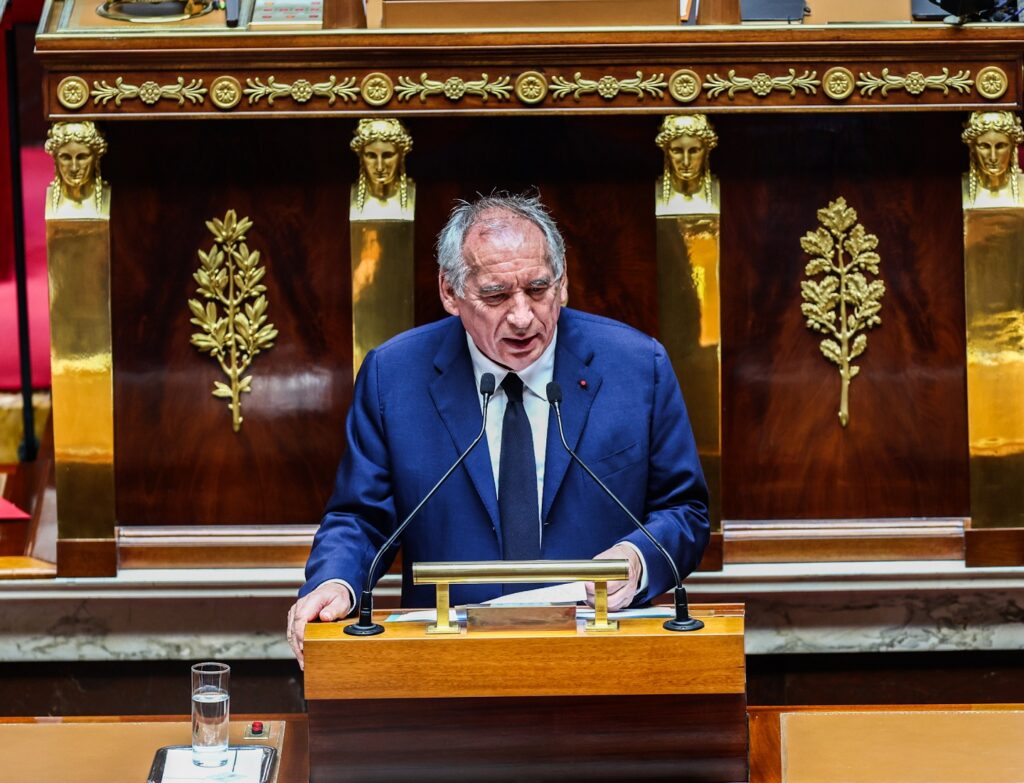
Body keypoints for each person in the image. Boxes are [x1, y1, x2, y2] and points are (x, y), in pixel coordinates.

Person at [287, 193, 709, 666]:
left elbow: (685, 510)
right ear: (450, 292)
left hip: (602, 656)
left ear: (563, 283)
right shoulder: (394, 376)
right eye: (496, 295)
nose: (523, 317)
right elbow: (361, 518)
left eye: (538, 288)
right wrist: (335, 581)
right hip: (446, 665)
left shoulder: (637, 367)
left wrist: (636, 559)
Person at [349, 117, 414, 215]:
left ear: (401, 155)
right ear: (361, 156)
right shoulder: (349, 195)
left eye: (387, 155)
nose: (380, 167)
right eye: (371, 156)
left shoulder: (413, 194)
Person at [44, 121, 109, 217]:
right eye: (66, 158)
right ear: (55, 159)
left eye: (82, 157)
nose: (74, 168)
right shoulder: (53, 203)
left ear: (96, 158)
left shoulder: (106, 196)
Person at [655, 114, 718, 208]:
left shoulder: (721, 189)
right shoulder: (655, 189)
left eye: (694, 151)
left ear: (707, 151)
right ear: (666, 152)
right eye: (677, 151)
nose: (686, 162)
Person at [961, 110, 1024, 206]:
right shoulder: (957, 188)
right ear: (972, 148)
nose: (993, 157)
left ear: (1012, 147)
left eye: (1001, 146)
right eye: (984, 146)